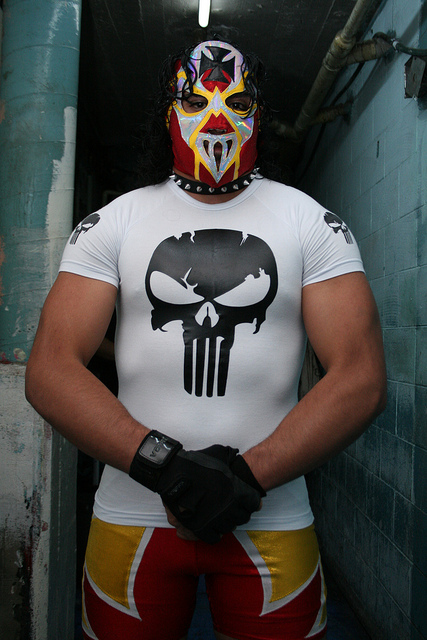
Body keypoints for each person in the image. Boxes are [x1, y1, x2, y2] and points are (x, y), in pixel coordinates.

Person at [25, 39, 387, 640]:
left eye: (236, 102)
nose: (217, 118)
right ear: (168, 112)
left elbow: (361, 376)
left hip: (270, 518)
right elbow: (50, 368)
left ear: (259, 114)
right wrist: (164, 468)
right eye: (196, 101)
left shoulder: (310, 222)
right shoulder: (115, 221)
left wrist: (248, 477)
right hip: (134, 515)